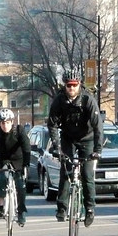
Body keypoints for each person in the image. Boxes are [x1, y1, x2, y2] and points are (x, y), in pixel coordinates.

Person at [47, 74, 103, 226]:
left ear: (79, 85)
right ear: (64, 86)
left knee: (87, 175)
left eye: (74, 85)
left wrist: (98, 150)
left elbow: (98, 126)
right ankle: (62, 208)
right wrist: (57, 147)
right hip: (68, 139)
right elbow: (52, 124)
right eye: (68, 85)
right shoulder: (59, 100)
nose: (71, 88)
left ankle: (90, 209)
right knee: (66, 171)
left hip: (87, 139)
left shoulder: (88, 100)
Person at [0, 108, 32, 227]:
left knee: (20, 185)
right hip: (4, 159)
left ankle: (21, 212)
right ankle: (1, 207)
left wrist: (26, 164)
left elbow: (26, 147)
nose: (5, 125)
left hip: (19, 159)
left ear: (12, 122)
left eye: (7, 122)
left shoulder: (19, 130)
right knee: (2, 178)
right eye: (2, 123)